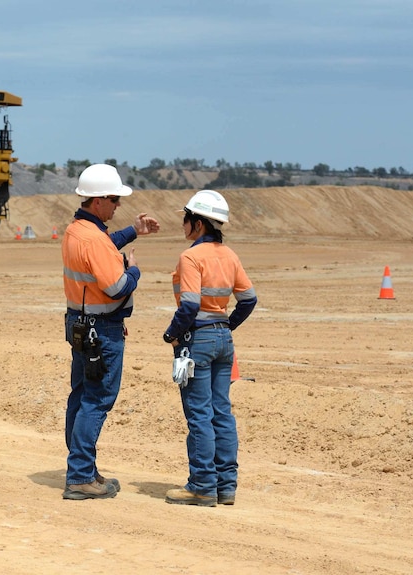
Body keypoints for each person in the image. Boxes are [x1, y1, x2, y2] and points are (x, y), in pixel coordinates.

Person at [61, 163, 160, 500]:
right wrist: (134, 271)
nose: (118, 204)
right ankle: (79, 477)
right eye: (115, 199)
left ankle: (83, 469)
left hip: (80, 325)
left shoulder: (77, 230)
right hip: (100, 331)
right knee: (97, 399)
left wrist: (133, 231)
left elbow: (103, 245)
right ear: (99, 200)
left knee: (81, 396)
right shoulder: (94, 239)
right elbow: (117, 287)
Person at [162, 190, 257, 507]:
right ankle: (225, 485)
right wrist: (226, 325)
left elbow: (188, 305)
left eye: (185, 218)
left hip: (196, 341)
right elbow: (249, 299)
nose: (183, 224)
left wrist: (172, 334)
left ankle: (202, 485)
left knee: (200, 415)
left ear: (198, 223)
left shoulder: (190, 257)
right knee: (221, 413)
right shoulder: (229, 255)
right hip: (222, 340)